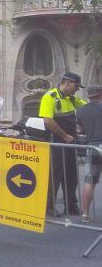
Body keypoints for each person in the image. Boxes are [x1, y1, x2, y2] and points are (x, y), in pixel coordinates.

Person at [39, 72, 87, 217]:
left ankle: (71, 206)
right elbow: (47, 120)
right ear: (68, 83)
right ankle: (49, 207)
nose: (77, 90)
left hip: (70, 143)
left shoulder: (71, 99)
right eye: (76, 87)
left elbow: (88, 107)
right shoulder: (50, 97)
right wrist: (64, 136)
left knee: (71, 175)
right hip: (57, 142)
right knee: (55, 175)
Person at [76, 85, 102, 223]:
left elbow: (80, 129)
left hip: (92, 146)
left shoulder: (80, 110)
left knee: (89, 181)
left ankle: (85, 214)